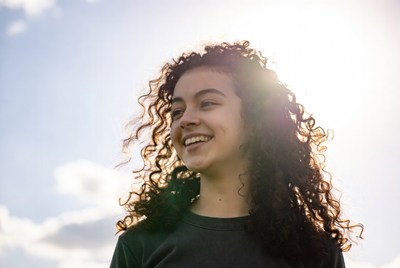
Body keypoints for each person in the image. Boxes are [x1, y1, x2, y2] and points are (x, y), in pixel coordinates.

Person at [110, 41, 363, 267]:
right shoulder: (139, 245)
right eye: (177, 111)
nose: (185, 120)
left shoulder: (316, 251)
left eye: (207, 103)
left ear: (255, 119)